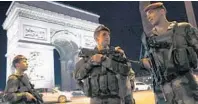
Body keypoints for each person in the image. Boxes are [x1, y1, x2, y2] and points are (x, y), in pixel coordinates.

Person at [141, 2, 198, 104]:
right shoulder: (149, 40)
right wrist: (146, 63)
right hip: (164, 93)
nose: (148, 17)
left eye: (151, 13)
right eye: (147, 15)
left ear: (162, 11)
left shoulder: (183, 29)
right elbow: (147, 60)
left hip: (187, 89)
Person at [74, 25, 135, 104]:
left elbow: (126, 71)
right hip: (96, 100)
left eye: (108, 35)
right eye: (104, 34)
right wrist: (91, 62)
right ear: (96, 38)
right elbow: (77, 76)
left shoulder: (117, 54)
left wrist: (104, 60)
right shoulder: (88, 56)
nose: (108, 37)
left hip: (115, 99)